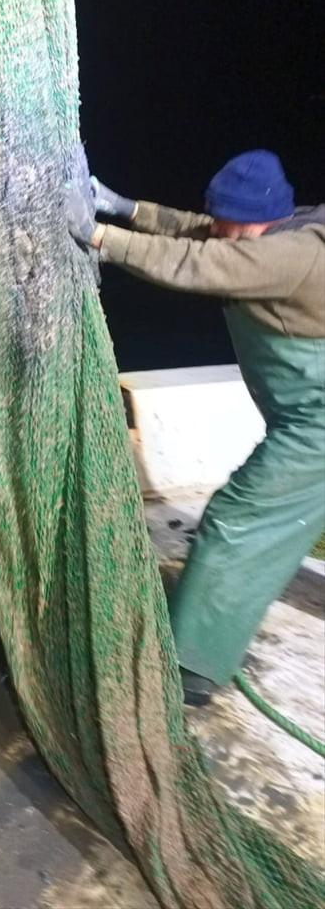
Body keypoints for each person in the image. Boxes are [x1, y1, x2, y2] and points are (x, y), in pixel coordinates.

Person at [67, 148, 325, 705]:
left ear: (264, 216)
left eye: (230, 221)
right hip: (303, 415)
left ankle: (192, 669)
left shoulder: (297, 253)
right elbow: (197, 232)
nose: (219, 229)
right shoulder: (266, 226)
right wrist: (125, 207)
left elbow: (195, 263)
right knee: (276, 524)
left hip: (318, 427)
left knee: (239, 522)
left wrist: (99, 238)